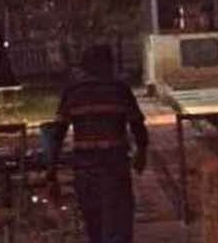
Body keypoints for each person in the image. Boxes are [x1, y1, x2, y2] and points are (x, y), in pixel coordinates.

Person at [47, 45, 149, 243]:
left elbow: (57, 133)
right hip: (115, 167)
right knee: (118, 225)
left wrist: (51, 170)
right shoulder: (119, 90)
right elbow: (137, 125)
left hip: (85, 170)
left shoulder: (72, 92)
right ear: (107, 65)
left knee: (94, 223)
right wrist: (141, 152)